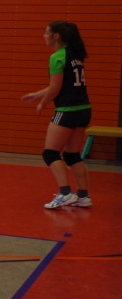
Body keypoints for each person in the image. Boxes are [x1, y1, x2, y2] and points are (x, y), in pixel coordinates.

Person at [21, 21, 92, 209]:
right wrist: (37, 95)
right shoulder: (75, 55)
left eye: (46, 33)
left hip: (67, 111)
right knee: (72, 154)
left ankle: (65, 193)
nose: (44, 36)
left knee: (50, 153)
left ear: (56, 36)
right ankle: (83, 196)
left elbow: (55, 88)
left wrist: (42, 103)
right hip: (83, 109)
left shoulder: (57, 57)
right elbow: (62, 85)